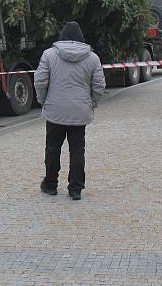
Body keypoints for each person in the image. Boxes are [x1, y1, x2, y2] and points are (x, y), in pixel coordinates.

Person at [34, 21, 105, 200]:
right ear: (81, 37)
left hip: (55, 110)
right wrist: (92, 103)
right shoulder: (92, 58)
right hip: (80, 111)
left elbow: (40, 81)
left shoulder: (48, 55)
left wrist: (43, 101)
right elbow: (99, 85)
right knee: (77, 148)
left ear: (62, 36)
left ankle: (50, 184)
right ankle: (75, 188)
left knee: (52, 147)